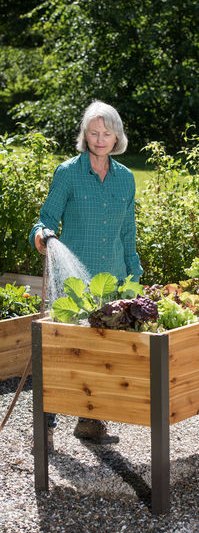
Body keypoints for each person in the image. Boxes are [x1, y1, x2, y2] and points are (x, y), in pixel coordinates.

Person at [29, 100, 143, 446]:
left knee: (102, 355)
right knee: (59, 354)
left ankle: (90, 423)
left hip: (109, 282)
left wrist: (133, 274)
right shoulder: (68, 173)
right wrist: (42, 236)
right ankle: (45, 430)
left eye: (106, 133)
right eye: (93, 132)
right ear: (85, 135)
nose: (99, 139)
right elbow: (45, 219)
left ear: (116, 137)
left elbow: (128, 233)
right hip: (72, 283)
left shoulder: (125, 178)